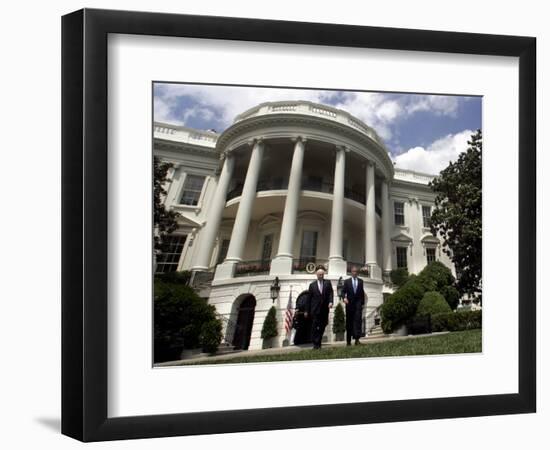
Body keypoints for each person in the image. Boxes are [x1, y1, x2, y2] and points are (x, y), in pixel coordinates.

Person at [306, 268, 333, 349]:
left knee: (323, 325)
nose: (321, 276)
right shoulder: (312, 285)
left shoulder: (327, 283)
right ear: (316, 275)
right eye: (319, 274)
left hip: (324, 309)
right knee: (315, 326)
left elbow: (331, 293)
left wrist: (331, 302)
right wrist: (307, 310)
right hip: (315, 310)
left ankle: (319, 341)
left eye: (322, 274)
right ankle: (315, 344)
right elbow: (309, 299)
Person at [342, 266, 367, 345]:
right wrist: (344, 298)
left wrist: (362, 304)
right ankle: (348, 341)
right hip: (349, 305)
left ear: (357, 273)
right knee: (349, 323)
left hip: (358, 305)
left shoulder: (361, 281)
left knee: (358, 322)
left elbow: (362, 293)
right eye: (353, 271)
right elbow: (342, 292)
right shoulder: (347, 282)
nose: (355, 273)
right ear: (351, 272)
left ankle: (357, 340)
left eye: (356, 271)